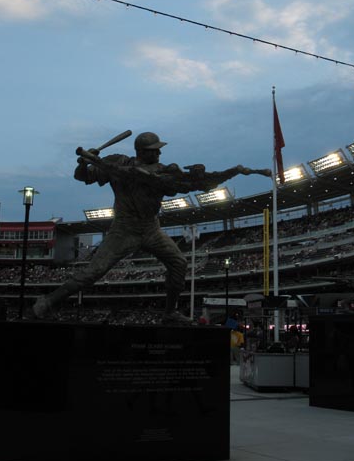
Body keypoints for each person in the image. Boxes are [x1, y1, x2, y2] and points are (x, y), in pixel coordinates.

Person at [32, 131, 270, 324]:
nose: (159, 152)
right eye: (154, 149)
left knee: (178, 262)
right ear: (141, 152)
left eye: (159, 149)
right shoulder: (116, 162)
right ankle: (49, 301)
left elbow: (192, 184)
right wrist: (84, 162)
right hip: (123, 229)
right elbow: (82, 177)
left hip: (150, 228)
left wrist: (228, 172)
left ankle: (169, 312)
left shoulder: (164, 171)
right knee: (92, 273)